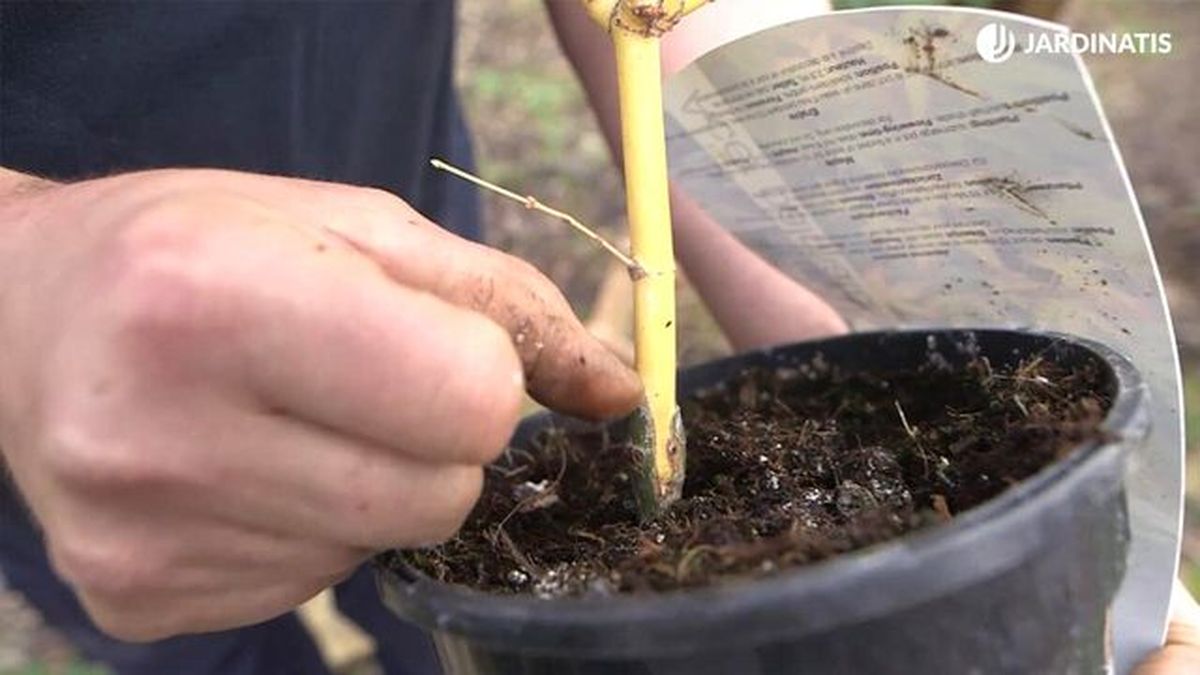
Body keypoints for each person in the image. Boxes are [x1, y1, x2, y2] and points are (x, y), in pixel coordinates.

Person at [0, 2, 1192, 674]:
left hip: (413, 263)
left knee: (440, 556)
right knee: (207, 645)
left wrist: (848, 272)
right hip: (58, 387)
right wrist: (21, 256)